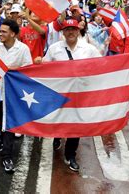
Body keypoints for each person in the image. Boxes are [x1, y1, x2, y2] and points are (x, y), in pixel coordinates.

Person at [37, 19, 101, 172]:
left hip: (80, 94)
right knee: (59, 119)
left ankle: (70, 155)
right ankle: (57, 137)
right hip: (59, 93)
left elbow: (103, 64)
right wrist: (39, 62)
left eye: (73, 29)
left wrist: (127, 59)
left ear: (78, 31)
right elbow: (45, 66)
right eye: (67, 29)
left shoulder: (88, 49)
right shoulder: (54, 48)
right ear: (63, 32)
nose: (71, 32)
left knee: (76, 124)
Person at [0, 19, 32, 173]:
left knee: (9, 123)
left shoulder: (23, 49)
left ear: (13, 34)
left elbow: (28, 69)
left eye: (3, 31)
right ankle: (2, 143)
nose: (0, 33)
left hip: (14, 93)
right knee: (1, 119)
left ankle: (7, 156)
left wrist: (9, 69)